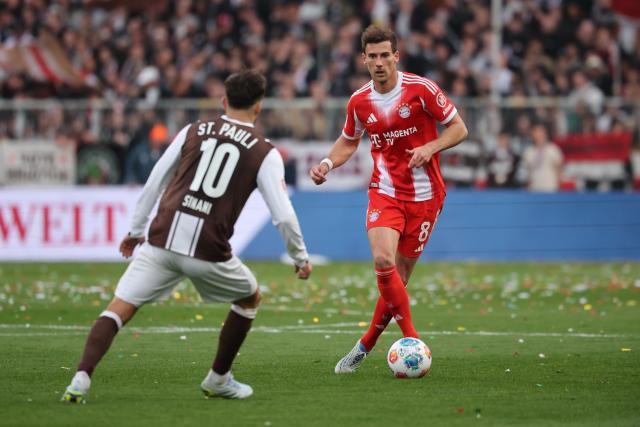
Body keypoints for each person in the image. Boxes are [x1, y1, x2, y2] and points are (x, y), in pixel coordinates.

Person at [63, 70, 312, 402]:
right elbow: (282, 214)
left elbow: (155, 180)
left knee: (120, 306)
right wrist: (299, 256)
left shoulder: (193, 130)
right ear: (259, 107)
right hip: (208, 250)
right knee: (249, 298)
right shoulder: (265, 152)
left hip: (162, 240)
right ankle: (218, 379)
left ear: (223, 101)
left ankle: (81, 377)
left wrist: (136, 230)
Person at [309, 26, 468, 373]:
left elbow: (459, 128)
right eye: (373, 56)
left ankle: (365, 344)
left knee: (399, 277)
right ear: (363, 59)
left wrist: (431, 147)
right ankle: (413, 340)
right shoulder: (359, 101)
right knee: (383, 261)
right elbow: (349, 141)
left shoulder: (421, 90)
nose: (379, 63)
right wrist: (326, 163)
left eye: (385, 55)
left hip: (426, 197)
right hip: (385, 191)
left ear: (396, 56)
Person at [522, 123, 564, 192]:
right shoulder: (528, 152)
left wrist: (559, 186)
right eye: (536, 132)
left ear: (546, 133)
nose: (539, 134)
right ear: (532, 134)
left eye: (541, 131)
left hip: (550, 188)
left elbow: (559, 170)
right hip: (534, 188)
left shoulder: (553, 150)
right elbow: (526, 173)